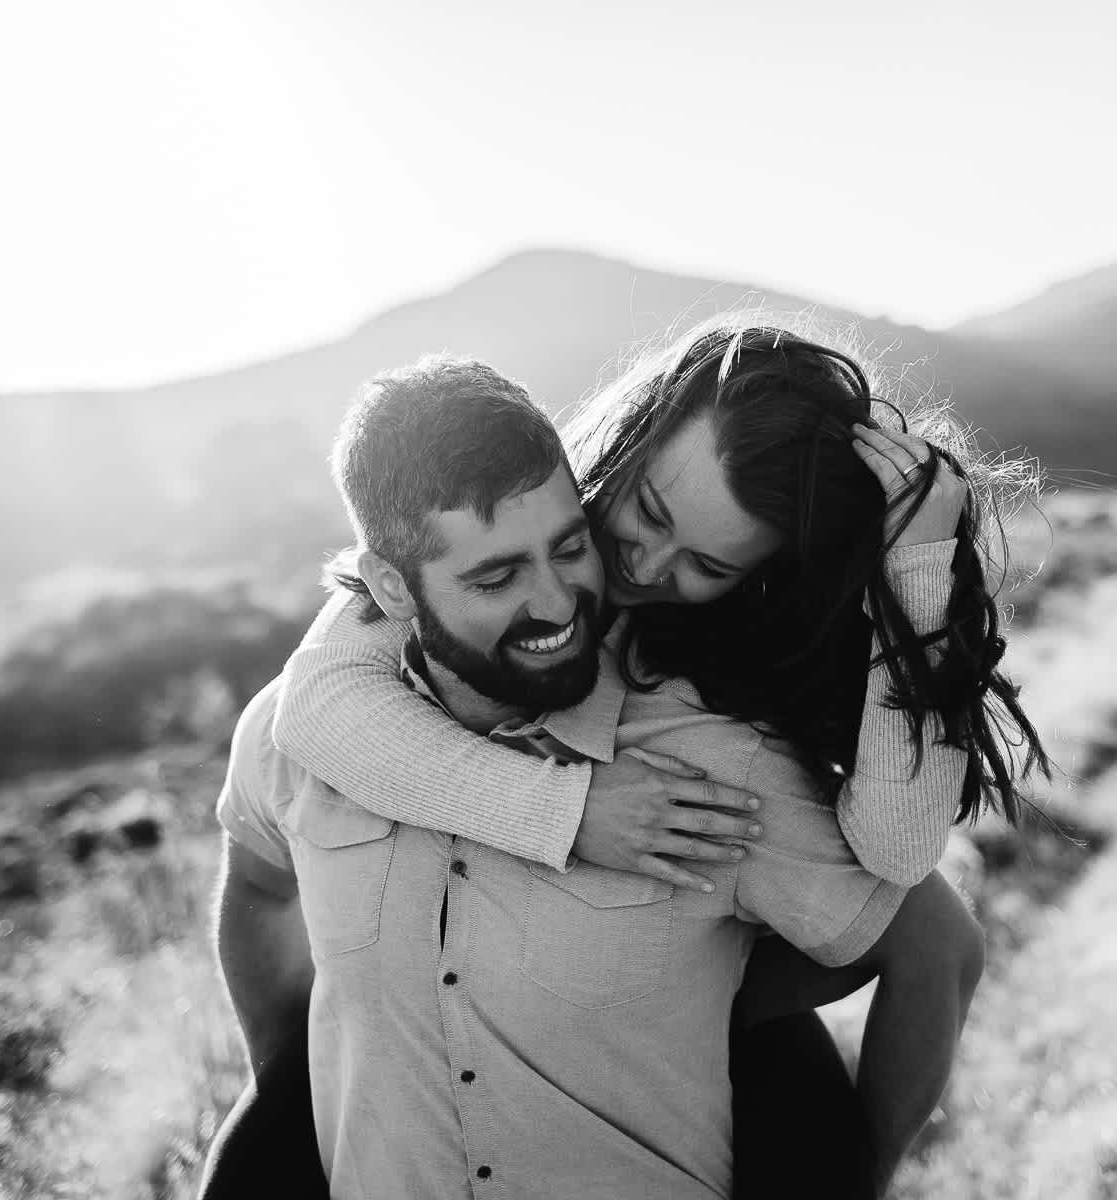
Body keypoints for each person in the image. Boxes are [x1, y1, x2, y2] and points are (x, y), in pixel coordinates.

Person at [203, 356, 992, 1199]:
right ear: (619, 455)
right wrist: (296, 1086)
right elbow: (303, 736)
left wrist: (919, 586)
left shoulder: (710, 751)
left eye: (707, 565)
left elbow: (919, 906)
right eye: (644, 514)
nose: (640, 570)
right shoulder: (344, 682)